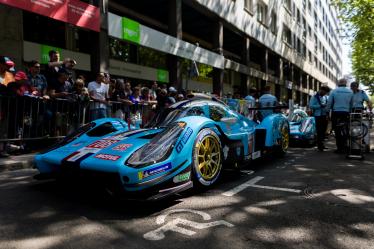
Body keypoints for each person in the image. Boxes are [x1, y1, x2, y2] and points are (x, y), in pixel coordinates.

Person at [327, 78, 354, 153]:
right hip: (346, 113)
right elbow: (352, 104)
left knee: (337, 131)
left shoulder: (334, 91)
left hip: (336, 113)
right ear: (346, 83)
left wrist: (327, 112)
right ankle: (345, 146)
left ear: (339, 83)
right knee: (346, 129)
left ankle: (339, 148)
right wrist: (350, 110)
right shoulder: (350, 91)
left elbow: (329, 103)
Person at [309, 86, 330, 151]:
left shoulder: (325, 97)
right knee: (319, 131)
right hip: (318, 116)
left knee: (324, 131)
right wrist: (320, 106)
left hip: (324, 115)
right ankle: (319, 146)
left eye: (326, 93)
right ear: (321, 90)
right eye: (324, 92)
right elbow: (311, 106)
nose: (325, 94)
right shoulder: (314, 97)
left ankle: (322, 144)